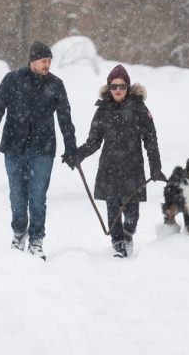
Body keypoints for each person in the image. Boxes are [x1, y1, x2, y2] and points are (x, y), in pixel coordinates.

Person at [0, 41, 77, 260]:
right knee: (17, 195)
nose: (47, 65)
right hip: (14, 147)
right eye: (44, 61)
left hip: (43, 149)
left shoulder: (56, 85)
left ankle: (36, 240)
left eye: (50, 61)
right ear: (33, 60)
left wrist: (70, 146)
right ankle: (18, 235)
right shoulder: (12, 80)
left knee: (37, 197)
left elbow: (65, 118)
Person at [68, 64, 165, 258]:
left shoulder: (139, 108)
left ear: (128, 87)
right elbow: (93, 142)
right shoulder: (102, 110)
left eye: (121, 86)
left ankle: (128, 235)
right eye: (114, 86)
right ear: (109, 89)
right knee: (113, 212)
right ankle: (118, 244)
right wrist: (77, 155)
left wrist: (155, 167)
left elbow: (151, 140)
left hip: (133, 169)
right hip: (109, 169)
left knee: (131, 215)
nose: (118, 90)